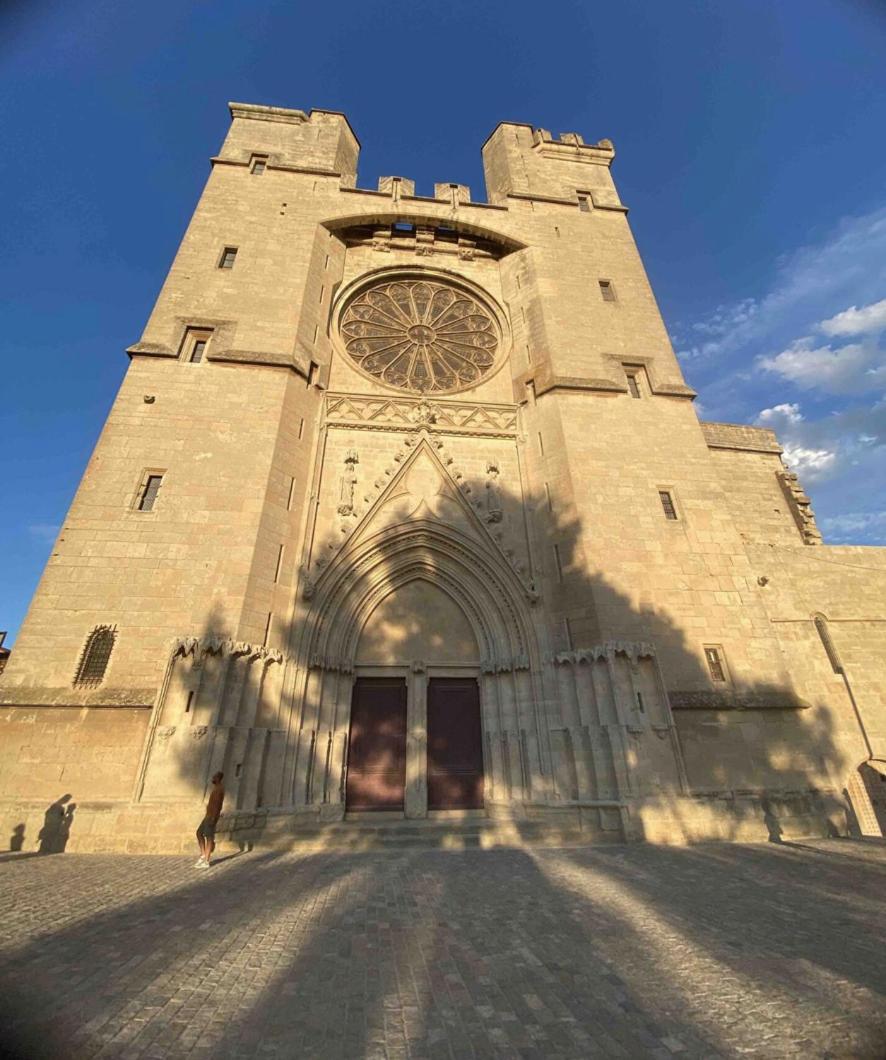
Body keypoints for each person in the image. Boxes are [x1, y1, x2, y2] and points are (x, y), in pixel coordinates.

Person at [195, 772, 225, 868]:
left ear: (218, 778)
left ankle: (206, 860)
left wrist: (214, 817)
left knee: (209, 837)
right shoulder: (216, 789)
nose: (212, 778)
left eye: (214, 777)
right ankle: (203, 854)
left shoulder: (219, 790)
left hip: (212, 816)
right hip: (208, 815)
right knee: (199, 833)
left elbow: (218, 805)